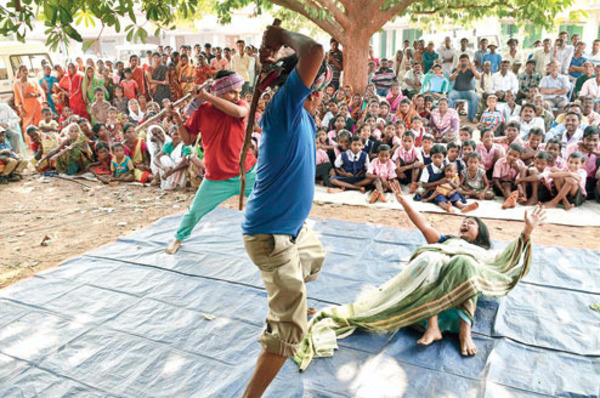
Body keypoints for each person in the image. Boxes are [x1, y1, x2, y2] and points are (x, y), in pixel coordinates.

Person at [293, 182, 545, 370]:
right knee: (431, 257)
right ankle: (432, 326)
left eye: (472, 222)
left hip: (456, 306)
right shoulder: (446, 241)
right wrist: (404, 202)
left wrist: (527, 230)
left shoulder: (481, 253)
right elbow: (424, 224)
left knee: (464, 263)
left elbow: (506, 261)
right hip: (423, 309)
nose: (465, 223)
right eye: (463, 221)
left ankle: (465, 332)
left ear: (482, 233)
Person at [241, 25, 330, 397]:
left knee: (314, 255)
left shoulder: (301, 115)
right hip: (269, 236)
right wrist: (280, 35)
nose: (324, 95)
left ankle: (292, 302)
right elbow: (315, 50)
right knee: (291, 329)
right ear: (307, 86)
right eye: (321, 87)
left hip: (291, 230)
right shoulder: (285, 108)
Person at [165, 70, 257, 255]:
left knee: (273, 200)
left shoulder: (242, 105)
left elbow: (238, 113)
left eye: (238, 91)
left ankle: (294, 231)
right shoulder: (202, 111)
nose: (238, 96)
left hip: (247, 172)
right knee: (194, 212)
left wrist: (205, 95)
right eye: (233, 91)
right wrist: (177, 119)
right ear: (220, 91)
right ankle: (178, 238)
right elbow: (188, 140)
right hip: (216, 177)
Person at [448, 54, 480, 122]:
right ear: (459, 62)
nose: (464, 62)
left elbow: (478, 77)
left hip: (468, 91)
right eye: (462, 61)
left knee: (474, 96)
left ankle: (472, 117)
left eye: (465, 61)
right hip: (457, 91)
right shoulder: (456, 69)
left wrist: (472, 69)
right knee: (450, 96)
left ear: (468, 62)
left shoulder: (471, 70)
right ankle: (450, 117)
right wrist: (457, 71)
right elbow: (451, 79)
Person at [13, 65, 45, 130]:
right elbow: (17, 98)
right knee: (27, 125)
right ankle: (29, 140)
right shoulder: (17, 84)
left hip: (36, 106)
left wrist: (33, 95)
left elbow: (40, 93)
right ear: (19, 73)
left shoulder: (33, 81)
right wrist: (21, 109)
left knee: (38, 123)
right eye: (23, 70)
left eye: (26, 70)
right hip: (26, 108)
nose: (25, 72)